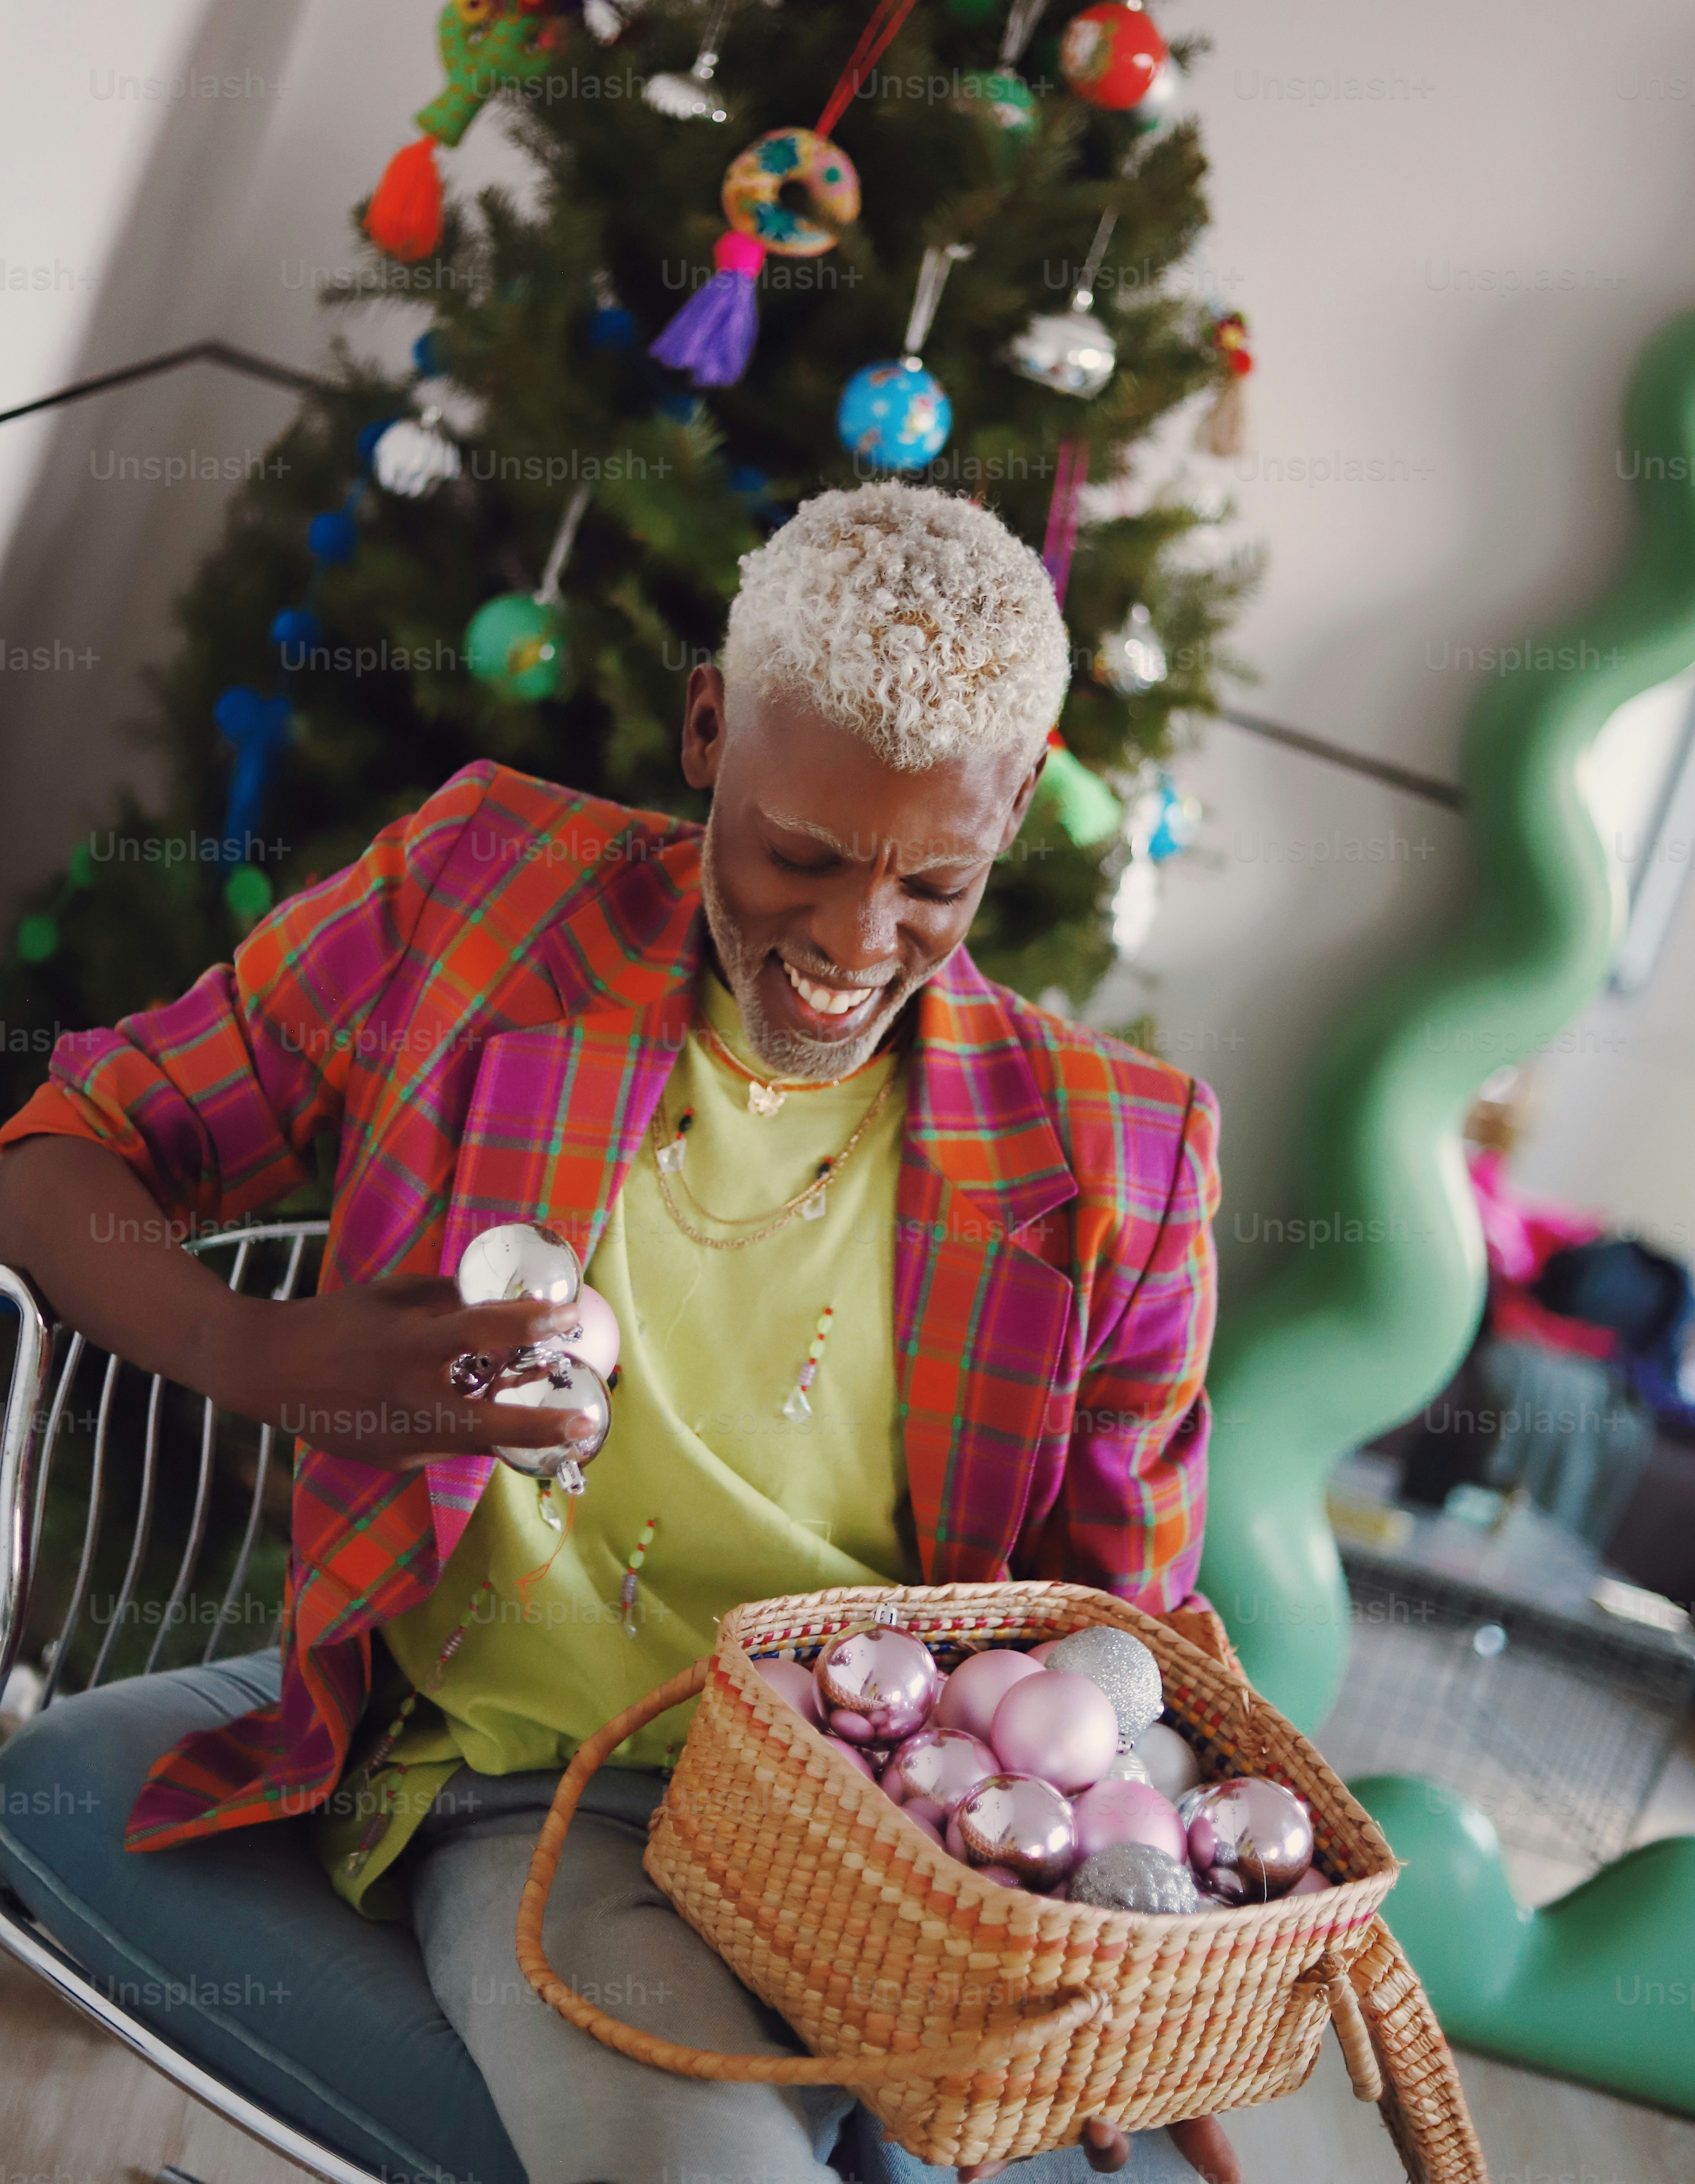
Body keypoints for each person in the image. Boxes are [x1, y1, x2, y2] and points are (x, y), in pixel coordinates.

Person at [0, 486, 1230, 2184]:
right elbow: (71, 1147)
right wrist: (261, 1356)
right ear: (707, 725)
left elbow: (1126, 1642)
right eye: (798, 852)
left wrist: (1134, 1969)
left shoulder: (1117, 1153)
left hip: (904, 1858)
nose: (849, 944)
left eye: (931, 880)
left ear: (1016, 805)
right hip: (543, 1786)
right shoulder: (478, 895)